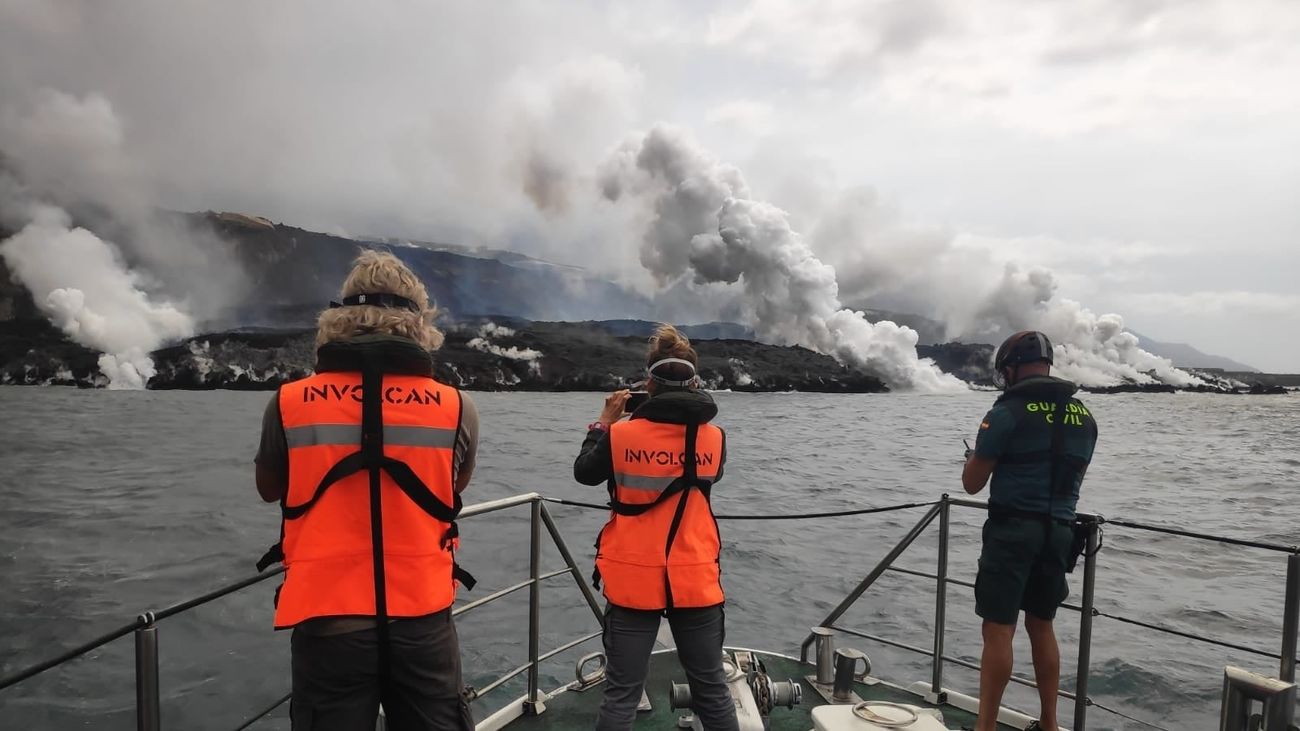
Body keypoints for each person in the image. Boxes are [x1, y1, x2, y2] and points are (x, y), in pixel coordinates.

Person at [254, 250, 478, 731]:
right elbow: (452, 487)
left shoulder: (290, 402)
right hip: (422, 618)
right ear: (419, 320)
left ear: (339, 316)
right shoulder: (456, 406)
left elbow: (268, 489)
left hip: (328, 620)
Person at [574, 324, 739, 731]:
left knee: (622, 693)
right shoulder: (714, 438)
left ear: (648, 383)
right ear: (696, 382)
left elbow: (584, 474)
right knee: (712, 689)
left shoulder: (620, 434)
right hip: (696, 577)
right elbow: (711, 478)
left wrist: (603, 424)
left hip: (632, 577)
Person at [961, 331, 1098, 731]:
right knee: (1042, 624)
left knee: (999, 628)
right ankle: (1051, 725)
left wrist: (974, 458)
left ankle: (985, 727)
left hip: (1013, 531)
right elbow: (1075, 478)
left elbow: (972, 483)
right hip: (1060, 532)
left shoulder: (1005, 413)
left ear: (1010, 368)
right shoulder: (1084, 417)